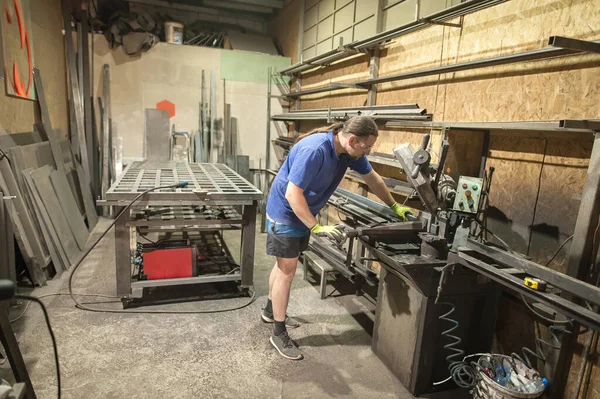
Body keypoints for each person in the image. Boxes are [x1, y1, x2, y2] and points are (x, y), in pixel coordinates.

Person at [260, 116, 413, 360]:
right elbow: (292, 193)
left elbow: (372, 178)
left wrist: (394, 206)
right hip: (286, 213)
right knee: (286, 271)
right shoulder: (315, 150)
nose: (368, 151)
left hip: (301, 213)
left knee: (283, 268)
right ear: (352, 139)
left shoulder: (349, 152)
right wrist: (317, 227)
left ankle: (270, 311)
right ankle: (278, 333)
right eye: (367, 147)